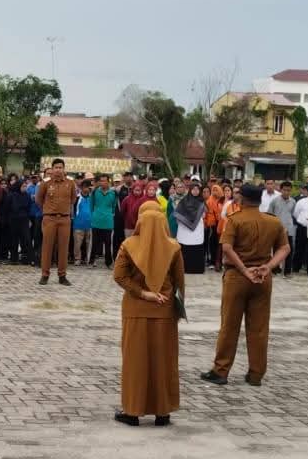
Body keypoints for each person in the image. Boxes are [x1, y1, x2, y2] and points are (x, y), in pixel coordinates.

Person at [200, 183, 290, 387]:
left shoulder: (235, 220)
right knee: (259, 327)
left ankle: (221, 370)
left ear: (242, 199)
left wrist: (243, 269)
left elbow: (227, 248)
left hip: (238, 277)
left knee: (229, 325)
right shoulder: (273, 221)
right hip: (262, 277)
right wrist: (269, 266)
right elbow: (285, 248)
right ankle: (256, 374)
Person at [112, 201, 184, 426]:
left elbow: (119, 276)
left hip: (135, 310)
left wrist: (143, 293)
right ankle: (163, 412)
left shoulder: (128, 245)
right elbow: (180, 282)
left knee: (135, 362)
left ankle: (132, 411)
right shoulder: (174, 248)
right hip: (164, 311)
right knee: (164, 361)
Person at [36, 158, 76, 286]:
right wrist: (47, 210)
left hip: (64, 219)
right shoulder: (46, 183)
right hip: (49, 219)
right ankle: (45, 274)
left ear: (64, 169)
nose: (58, 170)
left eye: (60, 167)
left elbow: (73, 199)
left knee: (63, 248)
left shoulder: (70, 183)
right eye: (56, 167)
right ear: (52, 169)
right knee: (47, 247)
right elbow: (38, 199)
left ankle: (62, 275)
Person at [173, 181, 207, 274]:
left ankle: (197, 269)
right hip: (184, 229)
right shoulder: (184, 201)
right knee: (185, 247)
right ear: (190, 190)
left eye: (197, 189)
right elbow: (178, 213)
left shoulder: (201, 201)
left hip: (197, 228)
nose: (195, 191)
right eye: (193, 189)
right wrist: (185, 220)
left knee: (197, 247)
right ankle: (184, 268)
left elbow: (204, 214)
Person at [91, 175, 118, 268]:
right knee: (94, 242)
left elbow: (114, 206)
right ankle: (91, 261)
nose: (103, 183)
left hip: (108, 222)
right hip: (96, 221)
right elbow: (91, 205)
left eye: (105, 181)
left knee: (108, 243)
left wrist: (110, 214)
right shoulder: (95, 192)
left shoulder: (113, 193)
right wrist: (93, 215)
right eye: (101, 181)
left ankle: (108, 263)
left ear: (108, 182)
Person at [71, 180, 93, 265]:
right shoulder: (76, 198)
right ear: (81, 188)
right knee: (77, 243)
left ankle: (88, 259)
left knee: (89, 243)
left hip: (90, 224)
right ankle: (77, 259)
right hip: (78, 224)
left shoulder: (92, 198)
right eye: (85, 187)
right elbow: (72, 210)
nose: (86, 189)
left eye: (88, 187)